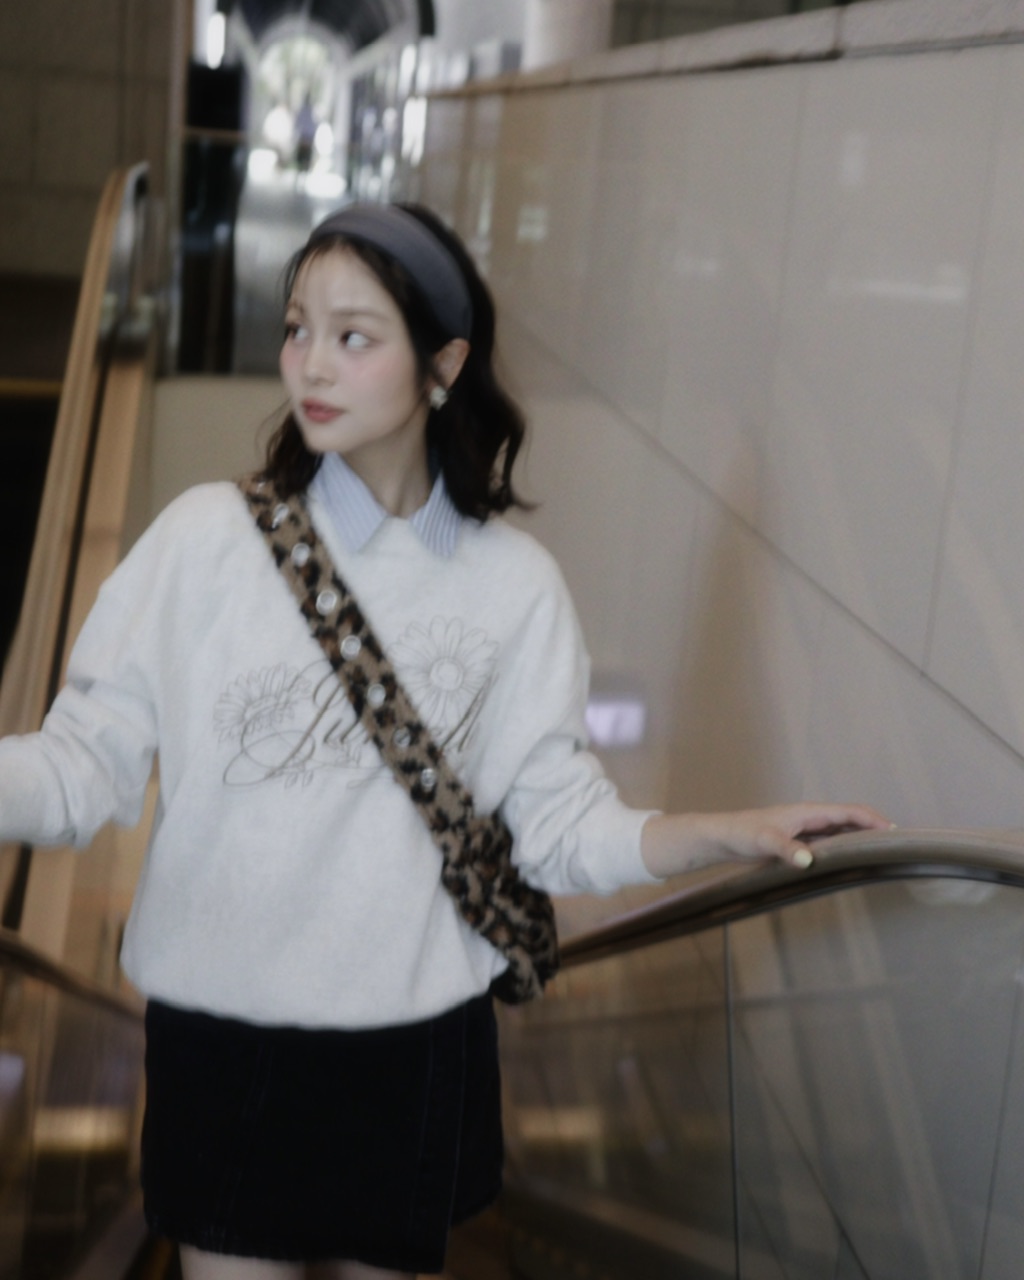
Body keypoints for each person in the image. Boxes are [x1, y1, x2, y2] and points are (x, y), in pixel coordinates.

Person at [0, 203, 888, 1280]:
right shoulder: (203, 543)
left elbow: (559, 827)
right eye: (297, 327)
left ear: (444, 365)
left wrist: (720, 832)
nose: (310, 363)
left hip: (413, 1051)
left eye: (353, 335)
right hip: (221, 1043)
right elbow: (79, 769)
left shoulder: (514, 588)